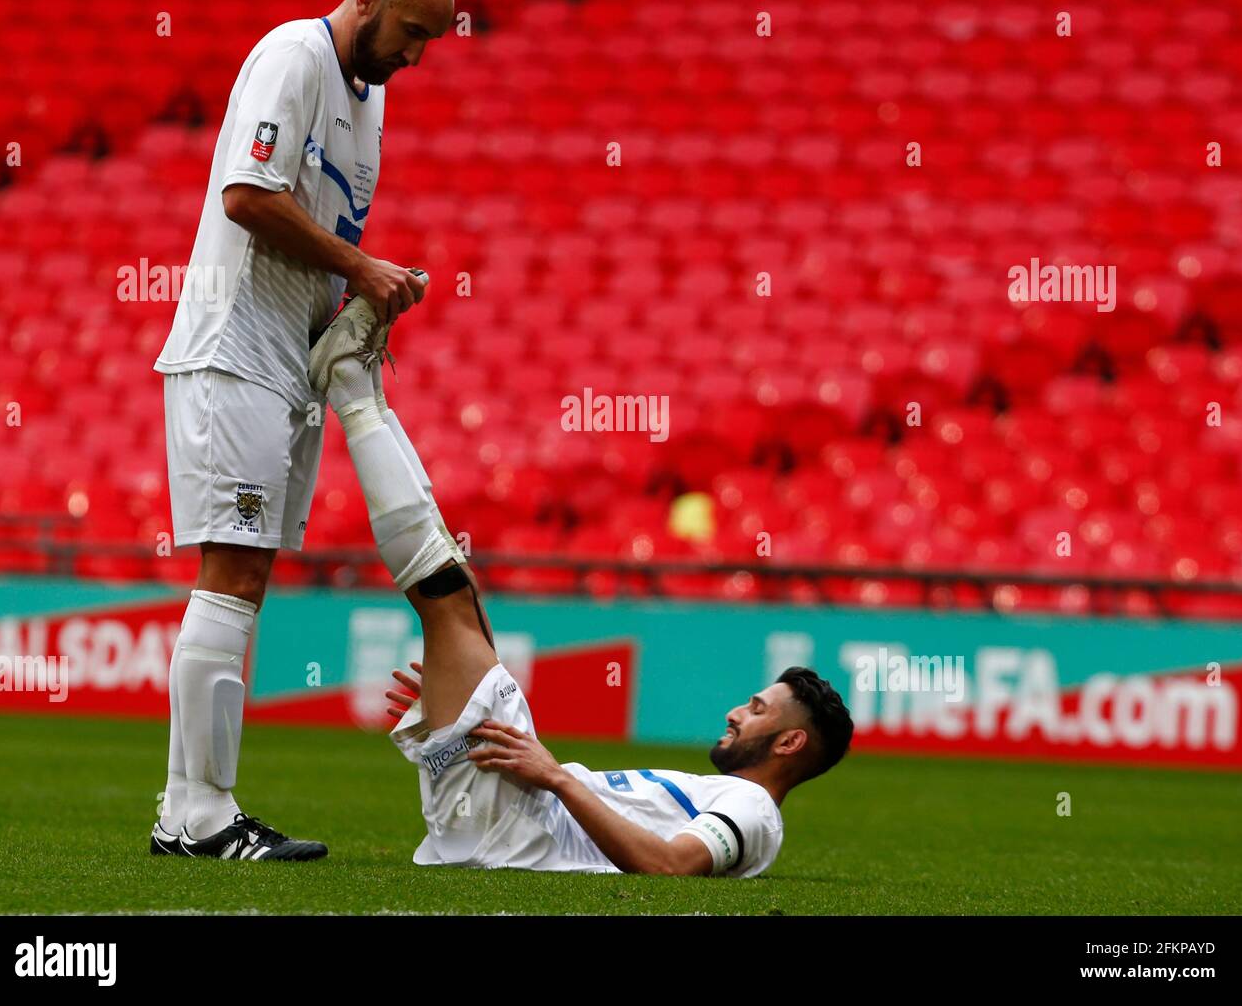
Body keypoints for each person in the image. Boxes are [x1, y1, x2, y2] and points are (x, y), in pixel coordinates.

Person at [309, 298, 855, 876]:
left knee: (446, 597)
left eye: (757, 708)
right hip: (515, 814)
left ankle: (350, 383)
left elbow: (669, 868)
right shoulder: (730, 798)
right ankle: (358, 382)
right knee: (457, 591)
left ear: (790, 744)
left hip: (517, 823)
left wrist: (553, 775)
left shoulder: (753, 812)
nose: (736, 711)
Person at [149, 0, 454, 861]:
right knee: (231, 572)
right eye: (411, 33)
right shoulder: (293, 57)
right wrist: (361, 265)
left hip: (286, 365)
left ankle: (188, 809)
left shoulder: (374, 103)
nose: (416, 56)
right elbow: (247, 195)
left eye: (431, 42)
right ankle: (199, 815)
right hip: (232, 351)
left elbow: (325, 235)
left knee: (246, 577)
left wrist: (357, 303)